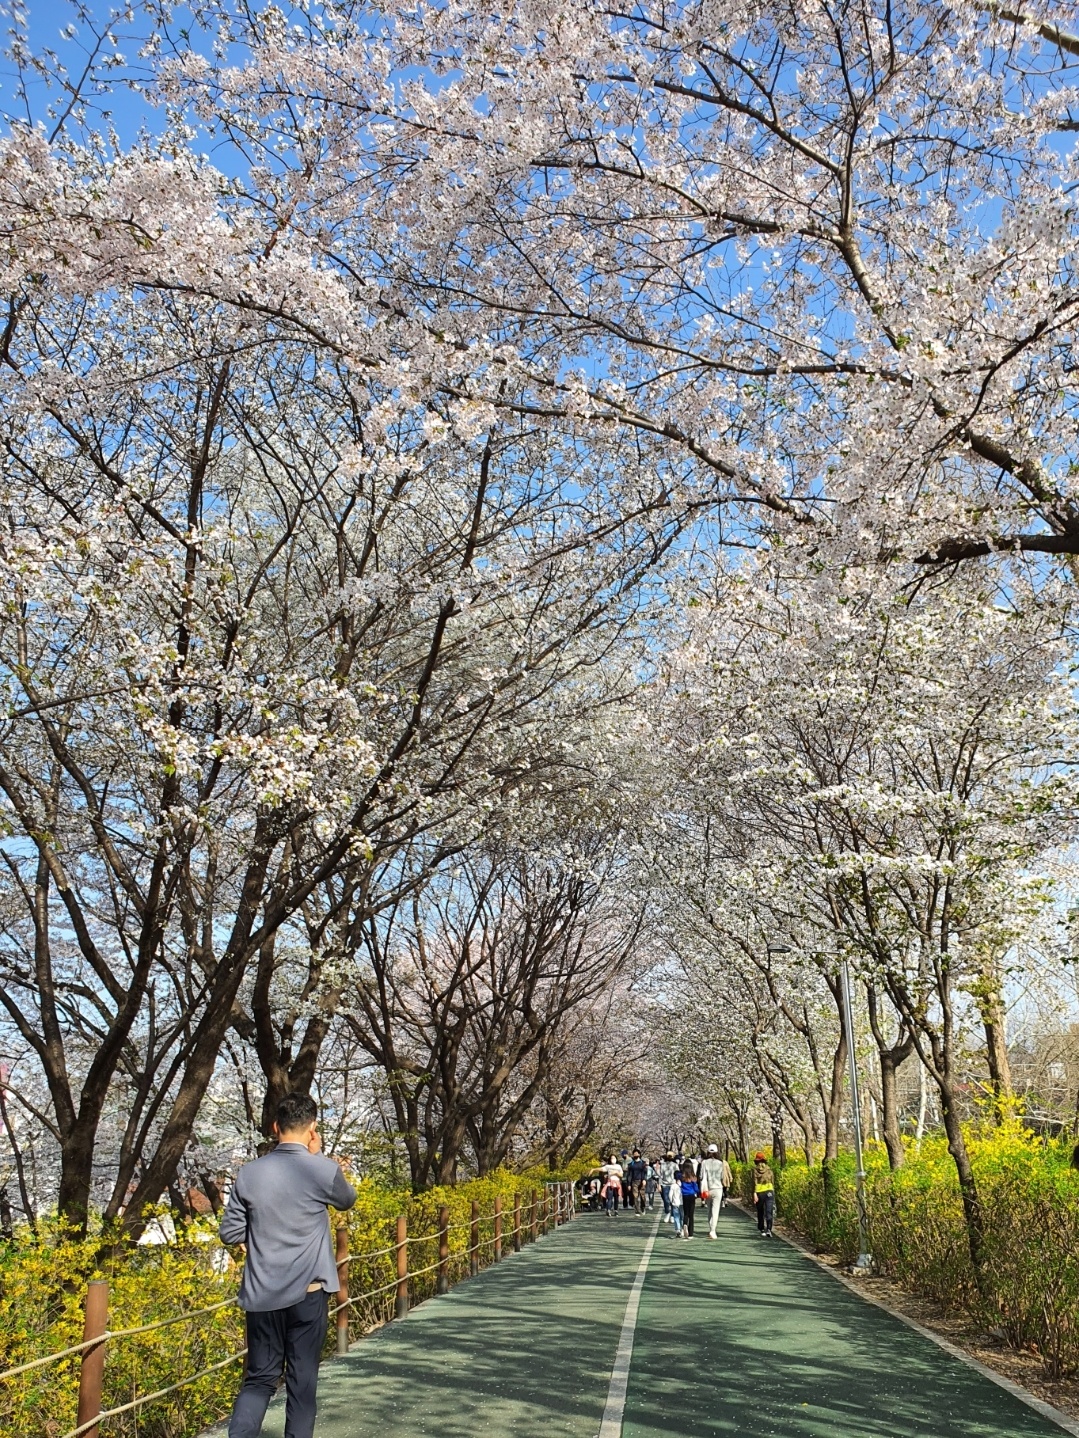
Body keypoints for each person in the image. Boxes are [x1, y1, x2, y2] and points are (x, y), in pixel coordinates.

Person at [220, 1092, 357, 1438]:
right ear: (312, 1128)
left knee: (259, 1379)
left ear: (275, 1126)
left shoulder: (249, 1174)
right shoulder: (322, 1170)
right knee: (301, 1381)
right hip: (309, 1293)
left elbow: (230, 1231)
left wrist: (262, 1244)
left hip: (262, 1294)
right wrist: (319, 1156)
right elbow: (347, 1200)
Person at [698, 1143, 734, 1239]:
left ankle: (711, 1228)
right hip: (717, 1189)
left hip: (707, 1189)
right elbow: (723, 1177)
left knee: (709, 1210)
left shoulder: (704, 1162)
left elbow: (701, 1176)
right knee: (715, 1210)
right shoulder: (720, 1163)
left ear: (708, 1152)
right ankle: (713, 1230)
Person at [753, 1152, 776, 1238]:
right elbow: (772, 1181)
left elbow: (754, 1183)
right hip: (769, 1191)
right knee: (769, 1211)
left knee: (760, 1211)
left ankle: (762, 1229)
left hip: (759, 1192)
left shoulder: (755, 1170)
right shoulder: (769, 1169)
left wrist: (754, 1193)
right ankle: (769, 1229)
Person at [678, 1160, 700, 1239]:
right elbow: (696, 1188)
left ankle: (684, 1224)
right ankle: (691, 1234)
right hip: (691, 1195)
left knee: (686, 1213)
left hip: (684, 1195)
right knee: (691, 1214)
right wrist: (698, 1192)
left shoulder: (681, 1176)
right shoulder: (693, 1177)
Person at [626, 1149, 648, 1214]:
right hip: (634, 1182)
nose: (635, 1155)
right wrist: (629, 1184)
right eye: (634, 1154)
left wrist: (644, 1179)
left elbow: (645, 1172)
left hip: (641, 1181)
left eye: (636, 1153)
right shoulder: (631, 1164)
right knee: (635, 1196)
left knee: (642, 1196)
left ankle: (643, 1207)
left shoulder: (643, 1163)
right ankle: (637, 1211)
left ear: (639, 1154)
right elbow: (629, 1175)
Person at [659, 1150, 677, 1221]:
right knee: (666, 1200)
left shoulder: (675, 1165)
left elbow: (677, 1174)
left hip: (673, 1184)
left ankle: (672, 1215)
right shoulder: (663, 1165)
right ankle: (667, 1212)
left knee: (673, 1200)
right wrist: (659, 1184)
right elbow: (660, 1175)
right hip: (664, 1184)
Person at [667, 1163, 684, 1236]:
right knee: (682, 1216)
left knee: (676, 1217)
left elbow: (670, 1195)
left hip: (675, 1203)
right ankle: (683, 1228)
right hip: (682, 1203)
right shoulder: (683, 1185)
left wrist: (671, 1201)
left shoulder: (673, 1185)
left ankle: (678, 1229)